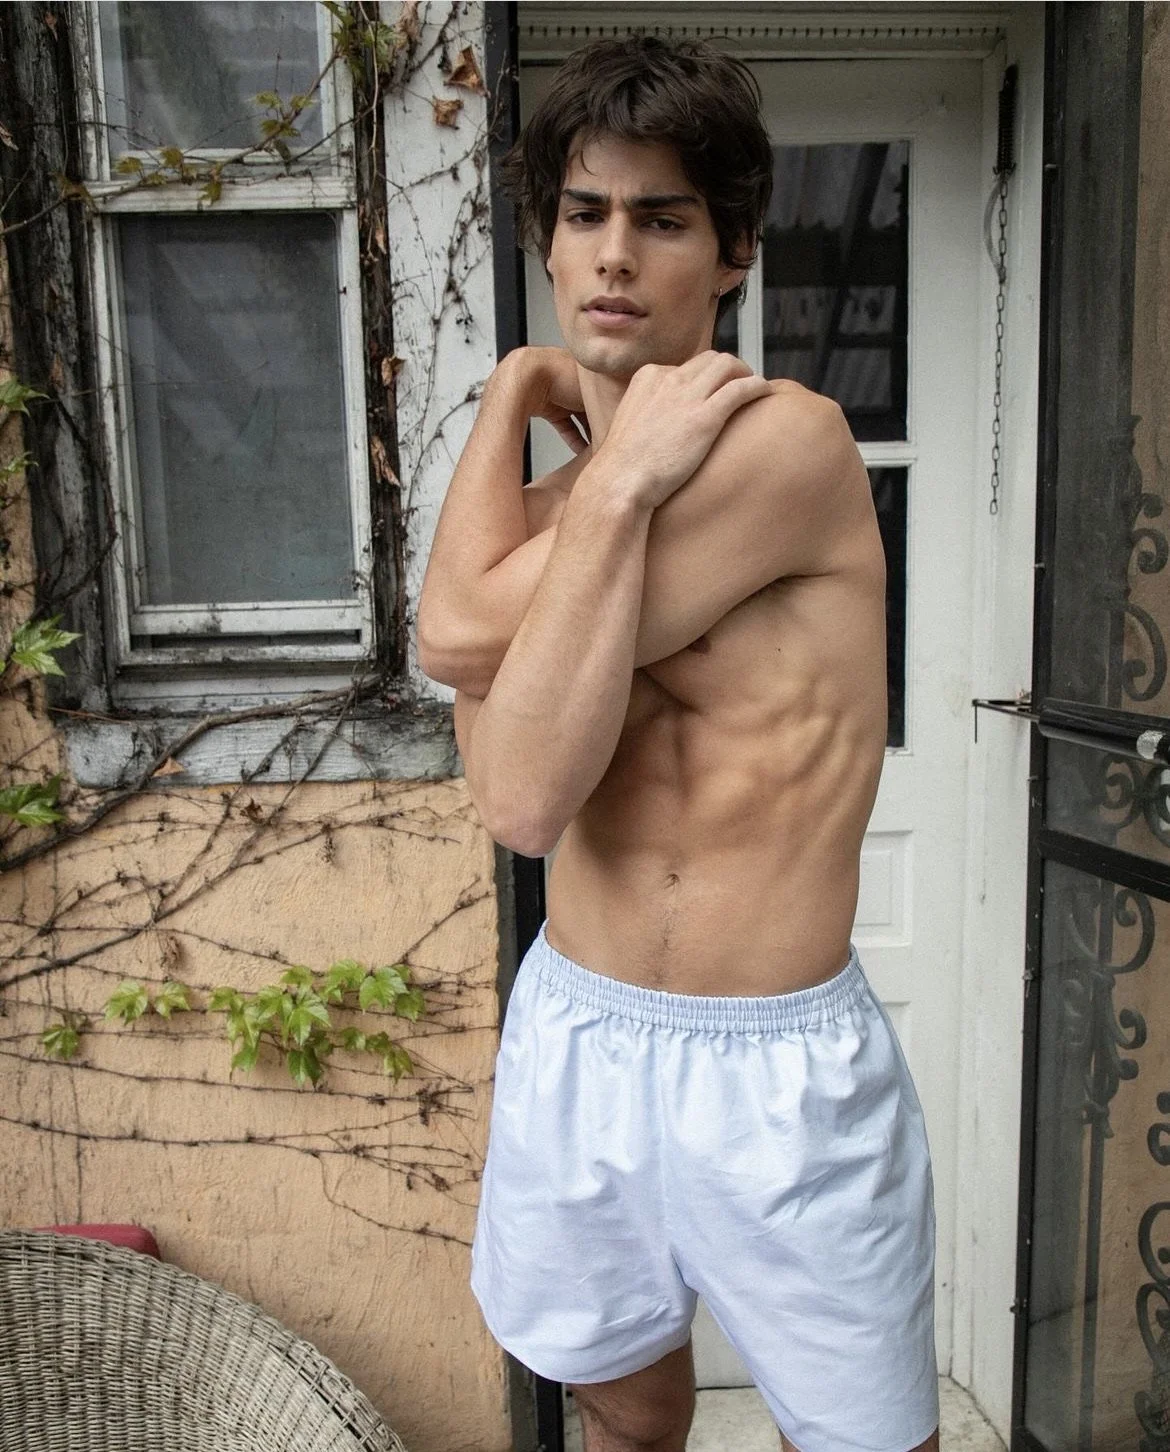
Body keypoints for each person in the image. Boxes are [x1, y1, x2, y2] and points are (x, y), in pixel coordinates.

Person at [417, 33, 938, 1452]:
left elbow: (499, 734)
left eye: (661, 217)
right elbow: (461, 655)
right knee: (624, 1408)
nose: (613, 252)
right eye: (583, 214)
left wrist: (623, 474)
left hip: (772, 1067)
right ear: (546, 239)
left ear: (731, 253)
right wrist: (515, 398)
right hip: (578, 1028)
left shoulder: (792, 441)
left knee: (861, 1437)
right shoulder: (577, 502)